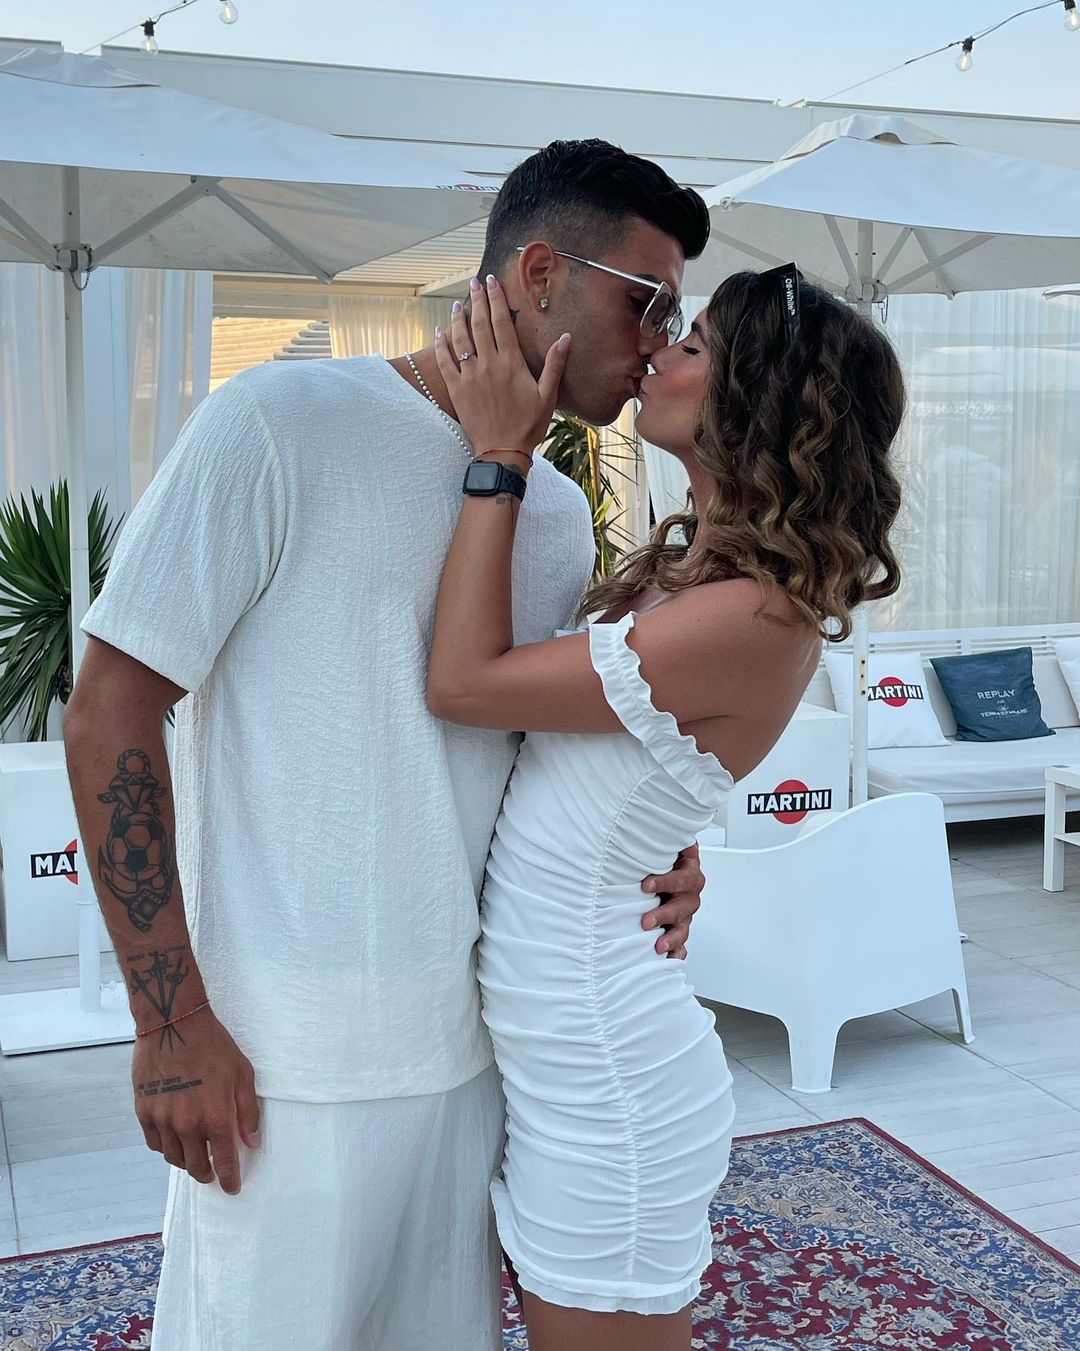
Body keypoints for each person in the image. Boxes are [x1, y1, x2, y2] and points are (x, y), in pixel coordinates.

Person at [62, 139, 716, 1351]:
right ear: (540, 274)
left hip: (473, 1057)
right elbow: (108, 707)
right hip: (281, 1070)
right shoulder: (279, 421)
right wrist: (168, 1024)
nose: (659, 341)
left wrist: (652, 850)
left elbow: (522, 752)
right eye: (648, 301)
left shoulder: (553, 511)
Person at [424, 262, 905, 1351]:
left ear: (756, 400)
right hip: (568, 1045)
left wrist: (502, 456)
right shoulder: (697, 572)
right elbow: (636, 765)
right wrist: (671, 839)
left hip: (608, 1077)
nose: (655, 350)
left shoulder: (752, 611)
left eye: (690, 345)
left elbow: (462, 683)